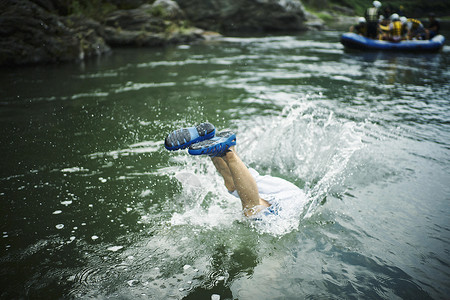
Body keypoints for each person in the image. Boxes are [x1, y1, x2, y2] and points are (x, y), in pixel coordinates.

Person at [164, 122, 305, 218]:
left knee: (234, 185)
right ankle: (228, 150)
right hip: (291, 204)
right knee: (253, 211)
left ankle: (211, 141)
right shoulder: (292, 212)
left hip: (292, 195)